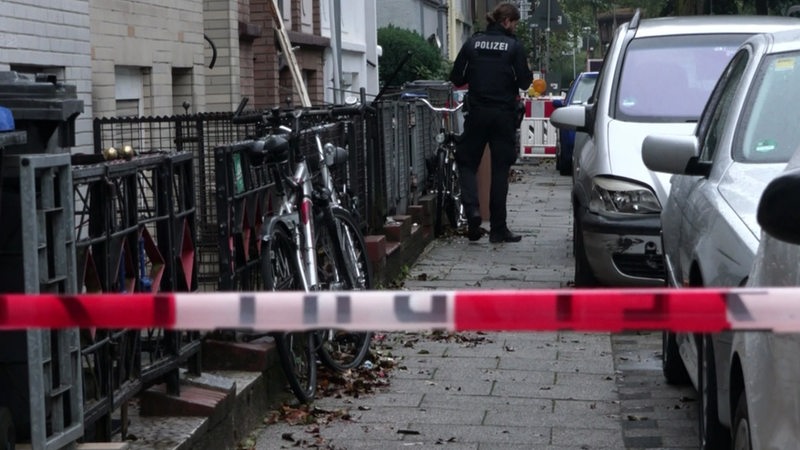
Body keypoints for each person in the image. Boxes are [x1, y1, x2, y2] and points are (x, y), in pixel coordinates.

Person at [449, 2, 533, 243]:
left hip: (477, 113)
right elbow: (526, 82)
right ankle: (498, 229)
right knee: (500, 169)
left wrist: (474, 76)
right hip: (504, 116)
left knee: (466, 160)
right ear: (506, 21)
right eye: (515, 24)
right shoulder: (514, 47)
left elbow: (456, 77)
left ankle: (473, 211)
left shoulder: (472, 43)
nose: (514, 29)